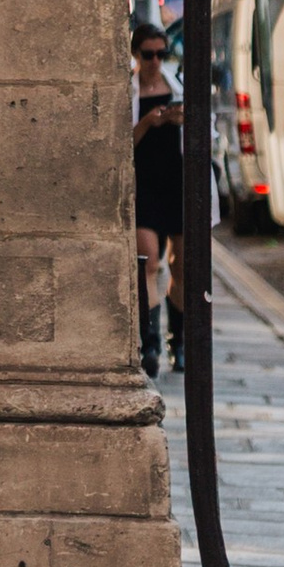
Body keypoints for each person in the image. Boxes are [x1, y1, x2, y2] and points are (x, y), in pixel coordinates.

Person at [131, 21, 184, 376]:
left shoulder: (176, 85)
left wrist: (181, 119)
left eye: (161, 54)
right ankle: (149, 344)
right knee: (149, 262)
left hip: (178, 183)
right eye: (148, 54)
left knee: (182, 266)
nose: (155, 61)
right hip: (145, 185)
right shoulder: (129, 91)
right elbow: (122, 144)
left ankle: (177, 342)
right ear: (136, 54)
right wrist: (149, 122)